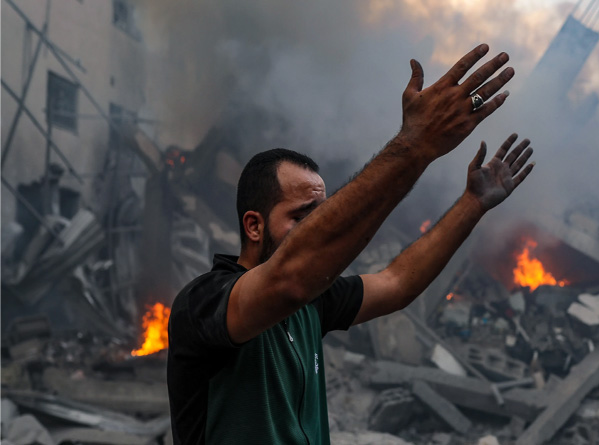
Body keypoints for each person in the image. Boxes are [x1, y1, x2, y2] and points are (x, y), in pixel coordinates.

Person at [167, 43, 535, 444]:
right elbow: (287, 280)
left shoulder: (312, 304)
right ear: (254, 227)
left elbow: (397, 282)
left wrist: (472, 205)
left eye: (323, 215)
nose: (321, 231)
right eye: (302, 218)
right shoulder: (203, 303)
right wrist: (416, 145)